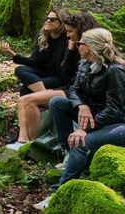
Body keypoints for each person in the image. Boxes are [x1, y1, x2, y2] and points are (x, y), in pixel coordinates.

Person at [34, 29, 125, 210]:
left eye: (81, 44)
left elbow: (114, 110)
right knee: (57, 102)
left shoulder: (115, 70)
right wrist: (82, 106)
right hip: (99, 113)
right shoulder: (85, 64)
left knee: (81, 141)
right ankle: (68, 154)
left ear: (89, 47)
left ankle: (59, 194)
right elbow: (73, 90)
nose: (77, 46)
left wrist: (83, 129)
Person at [6, 11, 99, 150]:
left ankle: (29, 144)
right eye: (46, 18)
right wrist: (71, 50)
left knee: (27, 100)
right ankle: (23, 141)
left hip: (73, 91)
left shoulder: (91, 52)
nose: (68, 35)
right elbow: (67, 72)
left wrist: (82, 104)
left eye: (70, 31)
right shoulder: (73, 46)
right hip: (72, 89)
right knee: (24, 93)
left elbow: (67, 76)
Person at [0, 9, 69, 94]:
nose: (47, 21)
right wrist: (11, 53)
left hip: (58, 76)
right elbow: (33, 61)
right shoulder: (42, 38)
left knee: (25, 88)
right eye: (46, 18)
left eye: (52, 19)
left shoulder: (67, 40)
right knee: (20, 70)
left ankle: (44, 98)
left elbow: (68, 67)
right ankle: (45, 95)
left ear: (61, 22)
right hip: (42, 72)